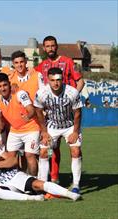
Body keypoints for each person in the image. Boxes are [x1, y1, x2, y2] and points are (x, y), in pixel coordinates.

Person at [0, 136, 81, 201]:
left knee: (37, 184)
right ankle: (32, 198)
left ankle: (70, 194)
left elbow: (13, 160)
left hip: (11, 176)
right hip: (0, 187)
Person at [35, 36, 85, 182]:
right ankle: (53, 179)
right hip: (51, 114)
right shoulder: (42, 65)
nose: (50, 48)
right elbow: (35, 82)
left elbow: (80, 81)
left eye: (52, 45)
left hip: (68, 110)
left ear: (56, 46)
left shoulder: (68, 61)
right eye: (47, 46)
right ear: (44, 48)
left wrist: (70, 99)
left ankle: (72, 181)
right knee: (52, 148)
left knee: (73, 147)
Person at [34, 67, 83, 194]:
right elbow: (38, 112)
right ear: (48, 80)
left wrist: (75, 132)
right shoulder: (41, 93)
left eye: (58, 80)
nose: (56, 83)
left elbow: (77, 113)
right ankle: (43, 184)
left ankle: (76, 185)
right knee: (44, 151)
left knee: (76, 151)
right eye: (52, 80)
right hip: (51, 126)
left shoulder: (72, 92)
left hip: (70, 125)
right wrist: (44, 132)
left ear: (63, 79)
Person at [0, 73, 40, 177]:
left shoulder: (20, 94)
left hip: (31, 128)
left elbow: (31, 109)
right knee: (10, 158)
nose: (3, 88)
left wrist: (28, 116)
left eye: (5, 85)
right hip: (15, 130)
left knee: (29, 155)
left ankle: (34, 182)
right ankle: (16, 180)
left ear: (9, 84)